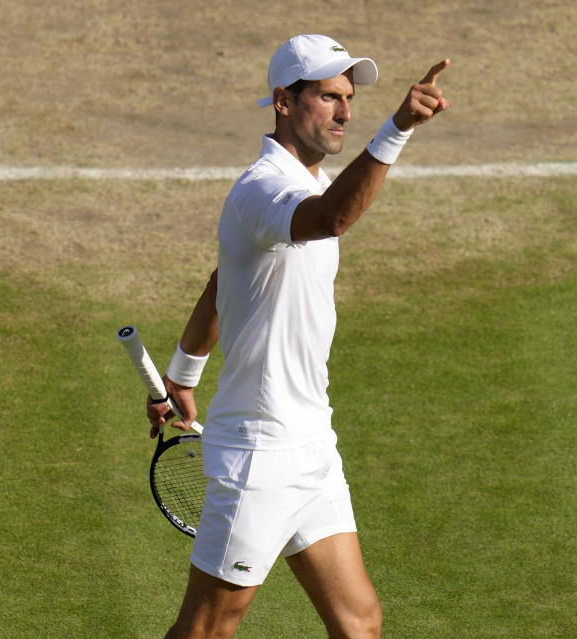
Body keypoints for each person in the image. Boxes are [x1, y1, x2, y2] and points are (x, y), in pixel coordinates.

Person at [146, 34, 449, 639]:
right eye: (329, 97)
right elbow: (334, 218)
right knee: (208, 626)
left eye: (349, 98)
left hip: (311, 443)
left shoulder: (300, 187)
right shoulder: (265, 188)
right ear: (284, 101)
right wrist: (398, 127)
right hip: (259, 453)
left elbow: (223, 283)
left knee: (359, 621)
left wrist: (183, 371)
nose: (345, 112)